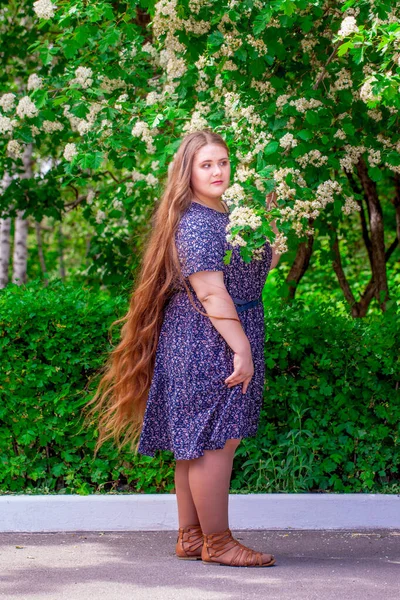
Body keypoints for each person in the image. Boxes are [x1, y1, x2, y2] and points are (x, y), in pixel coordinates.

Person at [84, 129, 281, 568]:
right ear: (187, 171)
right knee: (215, 443)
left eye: (223, 162)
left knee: (195, 443)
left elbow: (257, 270)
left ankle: (192, 538)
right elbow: (211, 293)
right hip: (209, 338)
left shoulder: (227, 214)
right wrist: (242, 349)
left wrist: (271, 217)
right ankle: (218, 542)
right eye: (205, 164)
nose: (217, 171)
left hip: (214, 332)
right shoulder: (197, 222)